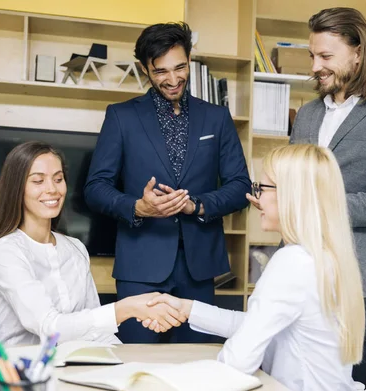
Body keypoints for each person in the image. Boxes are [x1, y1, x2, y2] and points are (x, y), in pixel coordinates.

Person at [249, 8, 366, 387]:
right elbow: (291, 182)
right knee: (283, 386)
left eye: (326, 56)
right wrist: (275, 196)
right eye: (313, 55)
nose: (315, 65)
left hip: (357, 289)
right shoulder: (308, 114)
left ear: (358, 52)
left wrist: (306, 203)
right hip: (297, 282)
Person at [145, 144, 366, 391]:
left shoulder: (293, 262)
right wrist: (187, 309)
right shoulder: (323, 256)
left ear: (292, 194)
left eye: (261, 188)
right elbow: (259, 325)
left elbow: (238, 361)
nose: (255, 199)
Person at [84, 22, 251, 343]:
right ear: (145, 68)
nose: (173, 80)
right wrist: (137, 207)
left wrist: (197, 204)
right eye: (161, 71)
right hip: (139, 268)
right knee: (136, 362)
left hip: (199, 268)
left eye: (180, 67)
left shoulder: (217, 118)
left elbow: (240, 186)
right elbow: (95, 188)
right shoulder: (121, 117)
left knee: (194, 369)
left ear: (190, 60)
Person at [0, 141, 185, 346]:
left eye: (58, 178)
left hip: (74, 369)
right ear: (16, 188)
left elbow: (97, 333)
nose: (52, 189)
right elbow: (49, 327)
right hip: (25, 375)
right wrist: (126, 309)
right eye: (38, 180)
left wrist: (125, 363)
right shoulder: (5, 251)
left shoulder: (75, 248)